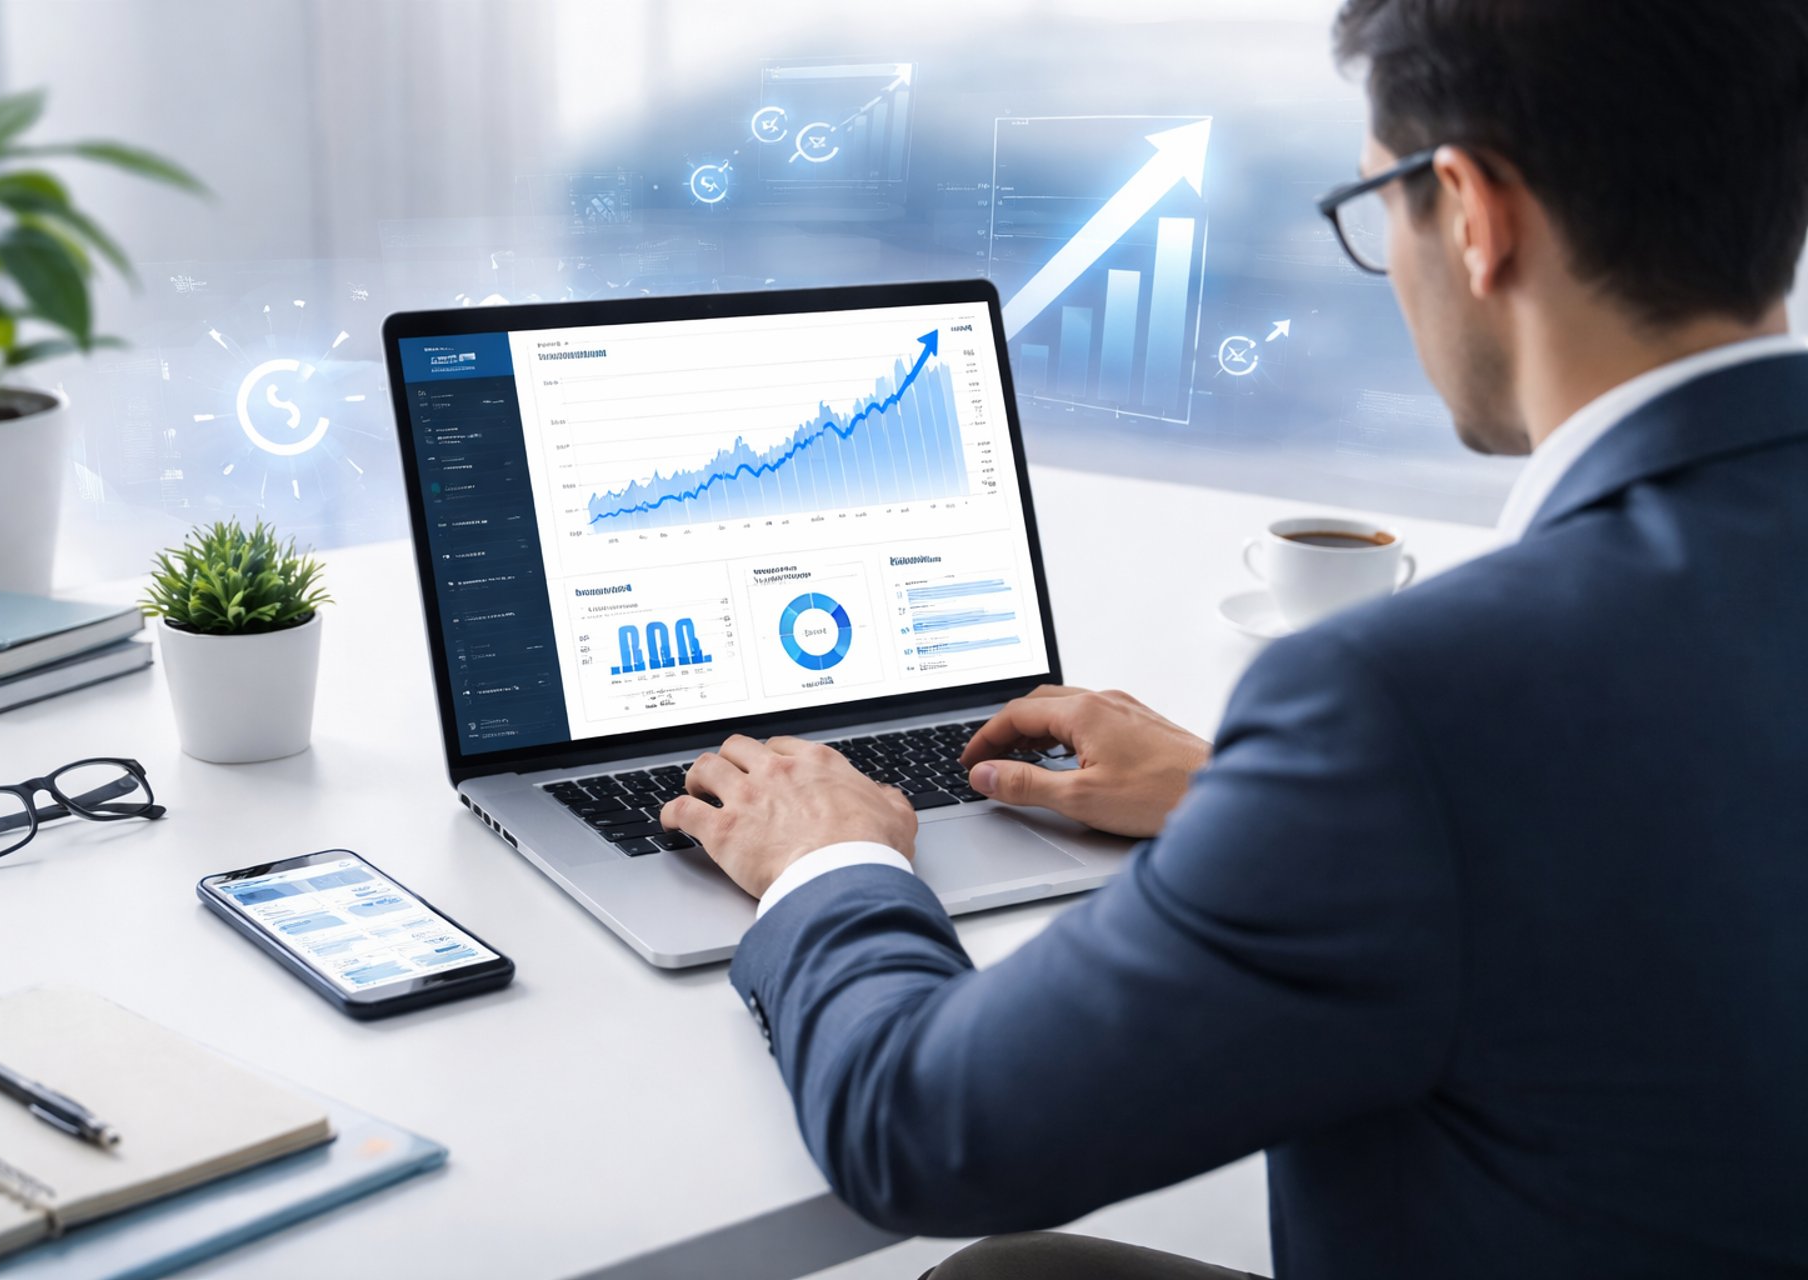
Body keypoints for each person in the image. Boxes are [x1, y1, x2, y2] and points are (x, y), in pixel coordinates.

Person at [657, 1, 1808, 1275]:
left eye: (1377, 200)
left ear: (1472, 211)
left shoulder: (1412, 704)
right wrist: (1243, 797)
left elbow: (923, 1132)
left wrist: (829, 860)